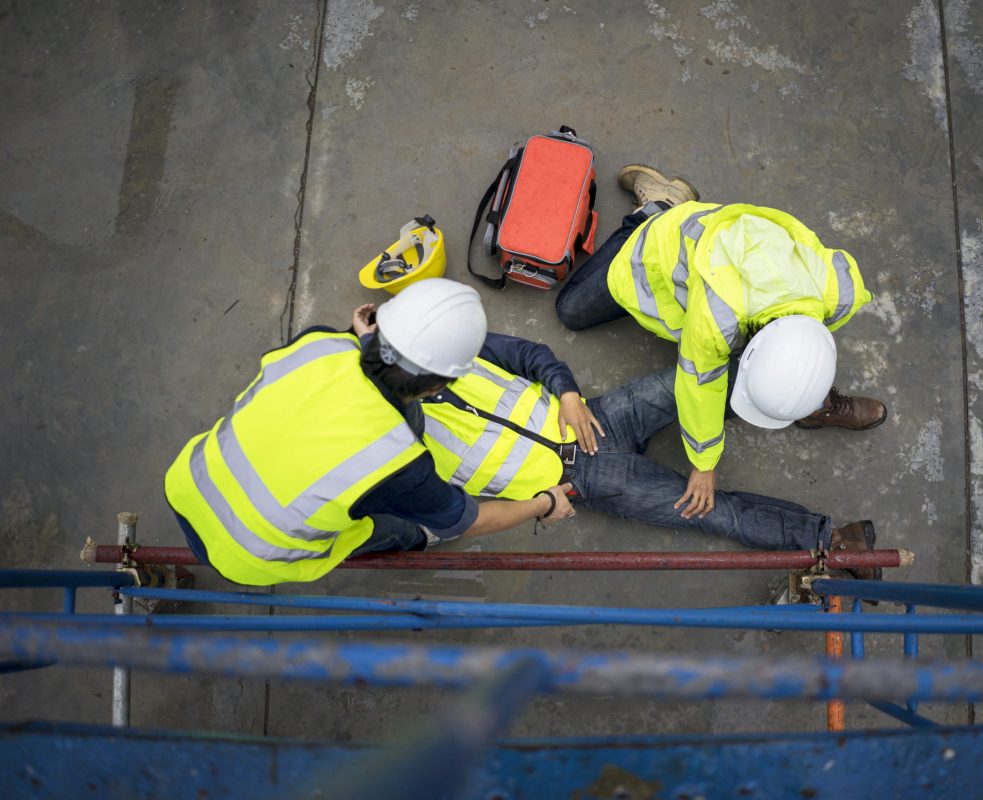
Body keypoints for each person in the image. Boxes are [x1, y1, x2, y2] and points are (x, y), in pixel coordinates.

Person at [350, 314, 881, 579]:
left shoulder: (442, 349)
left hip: (596, 418)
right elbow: (445, 521)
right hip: (582, 482)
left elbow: (531, 355)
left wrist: (569, 395)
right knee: (712, 512)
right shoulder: (397, 457)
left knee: (697, 381)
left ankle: (803, 400)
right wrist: (544, 504)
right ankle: (834, 541)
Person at [163, 279, 575, 586]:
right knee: (393, 525)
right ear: (436, 388)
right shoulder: (399, 461)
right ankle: (416, 538)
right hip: (250, 554)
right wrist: (544, 503)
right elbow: (470, 521)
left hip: (189, 481)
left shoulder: (319, 342)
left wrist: (364, 342)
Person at [555, 165, 889, 521]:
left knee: (779, 369)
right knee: (571, 311)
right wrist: (704, 464)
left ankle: (813, 404)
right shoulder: (716, 319)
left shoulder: (840, 291)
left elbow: (808, 348)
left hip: (724, 258)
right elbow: (699, 387)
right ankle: (658, 206)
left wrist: (804, 384)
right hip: (656, 252)